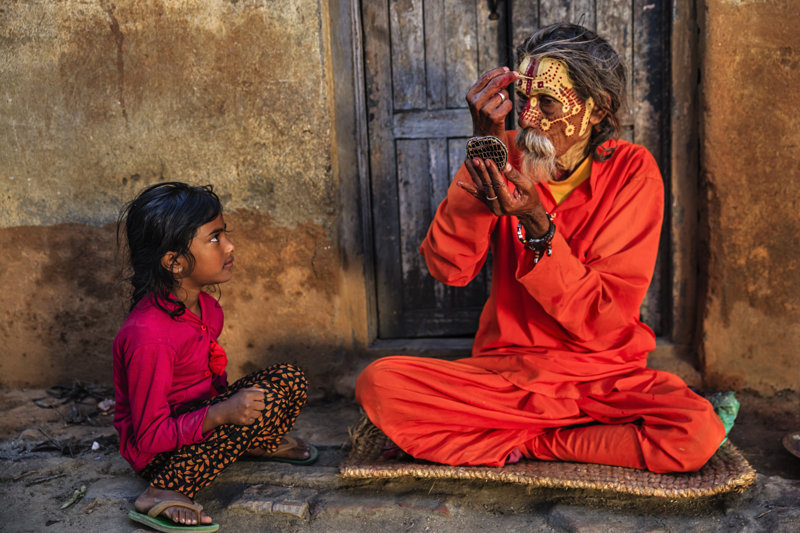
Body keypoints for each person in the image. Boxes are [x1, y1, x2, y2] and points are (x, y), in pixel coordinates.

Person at [356, 23, 726, 473]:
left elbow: (604, 319)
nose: (527, 117)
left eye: (546, 102)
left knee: (696, 432)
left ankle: (526, 441)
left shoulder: (633, 170)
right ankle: (556, 437)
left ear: (596, 108)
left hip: (601, 375)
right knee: (381, 384)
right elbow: (448, 269)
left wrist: (535, 220)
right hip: (508, 375)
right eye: (525, 100)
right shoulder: (501, 150)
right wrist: (483, 153)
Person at [113, 182, 317, 532]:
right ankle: (162, 490)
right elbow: (148, 437)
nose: (230, 246)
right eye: (214, 238)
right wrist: (222, 414)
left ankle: (254, 441)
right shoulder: (150, 337)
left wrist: (225, 409)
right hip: (160, 455)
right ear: (175, 262)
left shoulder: (207, 308)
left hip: (198, 423)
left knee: (290, 378)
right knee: (247, 411)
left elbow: (212, 386)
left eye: (224, 234)